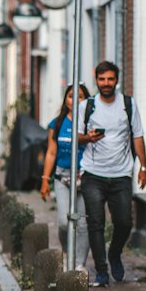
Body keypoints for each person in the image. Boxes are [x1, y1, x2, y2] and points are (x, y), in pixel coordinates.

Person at [76, 60, 146, 287]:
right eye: (101, 79)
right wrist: (88, 138)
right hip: (93, 174)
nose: (106, 83)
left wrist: (144, 167)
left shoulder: (128, 104)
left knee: (124, 221)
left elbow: (137, 135)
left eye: (110, 79)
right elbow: (78, 136)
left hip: (121, 174)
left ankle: (114, 253)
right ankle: (101, 271)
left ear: (116, 80)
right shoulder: (86, 106)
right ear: (96, 80)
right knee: (95, 223)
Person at [39, 83, 90, 267]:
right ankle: (69, 254)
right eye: (71, 96)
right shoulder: (57, 123)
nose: (75, 100)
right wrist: (45, 180)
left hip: (85, 178)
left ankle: (79, 265)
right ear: (65, 100)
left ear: (86, 100)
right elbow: (51, 153)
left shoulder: (91, 122)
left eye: (80, 96)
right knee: (63, 222)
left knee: (83, 224)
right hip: (62, 178)